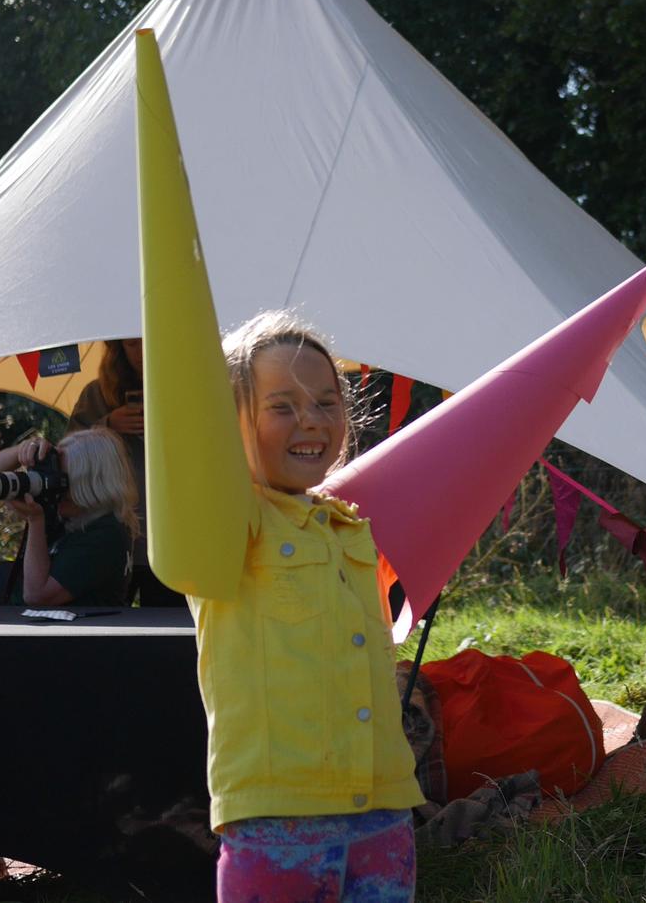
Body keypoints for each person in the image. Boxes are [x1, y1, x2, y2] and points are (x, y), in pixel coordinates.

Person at [173, 312, 422, 903]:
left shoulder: (348, 527)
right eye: (281, 406)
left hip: (385, 811)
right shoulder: (231, 523)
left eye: (326, 402)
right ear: (230, 424)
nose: (311, 419)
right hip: (277, 821)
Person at [68, 337, 183, 607]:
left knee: (169, 626)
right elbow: (68, 454)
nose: (141, 353)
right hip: (113, 533)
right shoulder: (97, 395)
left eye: (147, 342)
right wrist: (106, 424)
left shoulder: (187, 388)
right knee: (105, 626)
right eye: (132, 345)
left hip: (171, 531)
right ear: (118, 350)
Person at [0, 428, 138, 608]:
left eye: (63, 479)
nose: (54, 486)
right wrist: (21, 452)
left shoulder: (106, 533)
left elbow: (37, 596)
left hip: (73, 634)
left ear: (91, 485)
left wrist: (35, 521)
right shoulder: (74, 514)